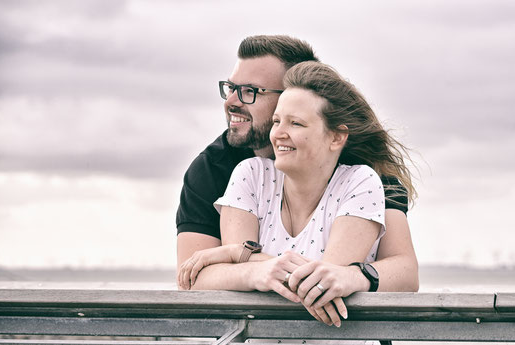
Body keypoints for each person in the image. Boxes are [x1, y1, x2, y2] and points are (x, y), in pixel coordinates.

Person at [176, 35, 418, 323]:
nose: (231, 101)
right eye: (231, 88)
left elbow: (398, 271)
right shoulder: (216, 168)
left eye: (250, 91)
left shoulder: (363, 172)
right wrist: (253, 268)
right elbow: (191, 277)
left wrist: (354, 275)